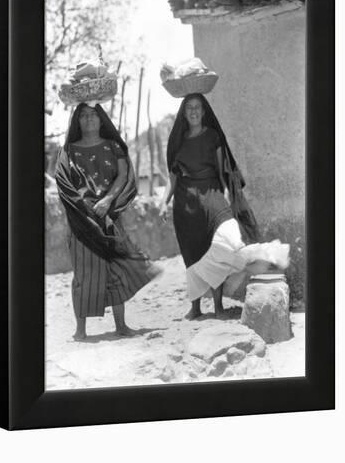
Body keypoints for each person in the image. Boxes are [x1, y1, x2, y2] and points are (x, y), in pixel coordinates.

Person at [159, 93, 289, 320]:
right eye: (189, 107)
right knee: (192, 253)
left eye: (198, 107)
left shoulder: (212, 136)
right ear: (183, 112)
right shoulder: (177, 141)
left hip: (212, 193)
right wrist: (164, 202)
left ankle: (219, 305)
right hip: (186, 202)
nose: (194, 111)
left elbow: (222, 171)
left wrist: (227, 194)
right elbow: (173, 178)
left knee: (224, 244)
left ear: (204, 111)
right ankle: (196, 307)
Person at [55, 103, 160, 340]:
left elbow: (123, 175)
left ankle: (121, 325)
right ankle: (80, 331)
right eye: (84, 115)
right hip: (81, 220)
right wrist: (85, 208)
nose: (89, 119)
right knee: (83, 272)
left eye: (93, 115)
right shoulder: (68, 151)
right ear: (77, 121)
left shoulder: (113, 146)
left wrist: (108, 201)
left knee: (116, 269)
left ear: (101, 119)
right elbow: (63, 182)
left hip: (108, 215)